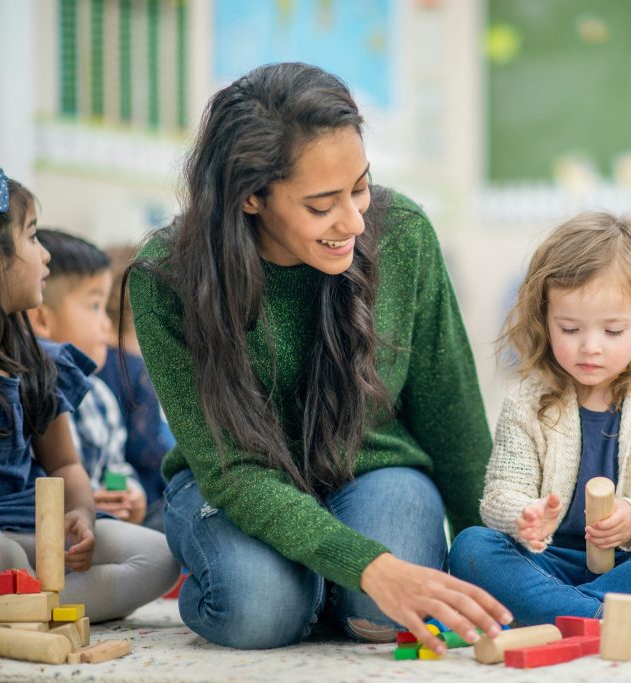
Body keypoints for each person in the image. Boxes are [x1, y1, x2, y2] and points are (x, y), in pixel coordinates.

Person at [127, 63, 510, 652]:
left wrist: (494, 565)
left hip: (375, 473)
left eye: (360, 186)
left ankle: (325, 584)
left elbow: (451, 419)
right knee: (257, 611)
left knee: (384, 619)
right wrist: (370, 567)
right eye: (321, 204)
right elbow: (232, 469)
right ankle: (306, 585)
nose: (354, 220)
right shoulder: (166, 278)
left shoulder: (401, 233)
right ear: (250, 196)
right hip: (236, 485)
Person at [448, 212, 631, 626]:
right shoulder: (527, 400)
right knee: (470, 549)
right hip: (545, 563)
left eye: (612, 332)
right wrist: (527, 515)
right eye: (570, 328)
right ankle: (599, 619)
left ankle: (555, 614)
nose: (590, 348)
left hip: (630, 565)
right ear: (546, 316)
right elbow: (498, 497)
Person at [0, 166, 178, 622]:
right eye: (32, 238)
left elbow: (67, 464)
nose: (45, 255)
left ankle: (17, 602)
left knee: (159, 558)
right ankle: (18, 593)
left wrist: (81, 514)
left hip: (34, 530)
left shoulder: (40, 361)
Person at [28, 228, 147, 525]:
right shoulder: (28, 393)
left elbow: (115, 466)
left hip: (100, 527)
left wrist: (130, 495)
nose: (107, 326)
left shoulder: (100, 396)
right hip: (42, 526)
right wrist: (79, 503)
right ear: (42, 319)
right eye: (95, 306)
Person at [98, 243, 175, 531]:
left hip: (116, 493)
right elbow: (147, 449)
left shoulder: (97, 361)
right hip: (144, 501)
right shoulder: (132, 367)